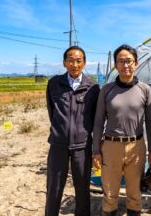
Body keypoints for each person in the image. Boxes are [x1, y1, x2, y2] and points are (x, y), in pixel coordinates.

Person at [92, 44, 151, 216]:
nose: (125, 65)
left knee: (134, 192)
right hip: (111, 146)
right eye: (121, 61)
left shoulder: (144, 89)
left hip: (136, 146)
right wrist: (96, 150)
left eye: (129, 61)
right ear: (116, 65)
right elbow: (98, 122)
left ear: (135, 63)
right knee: (110, 192)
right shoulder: (107, 90)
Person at [45, 45, 100, 216]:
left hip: (82, 146)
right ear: (64, 62)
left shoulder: (92, 87)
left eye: (78, 61)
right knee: (54, 186)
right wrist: (59, 131)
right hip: (58, 144)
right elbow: (51, 112)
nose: (74, 64)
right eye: (70, 60)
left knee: (82, 187)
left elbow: (95, 117)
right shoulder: (54, 83)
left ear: (84, 63)